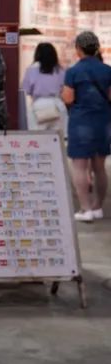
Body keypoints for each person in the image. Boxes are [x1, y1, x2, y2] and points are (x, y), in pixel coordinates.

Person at [62, 31, 111, 222]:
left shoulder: (73, 71)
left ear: (78, 49)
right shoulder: (107, 70)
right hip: (103, 123)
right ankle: (98, 207)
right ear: (97, 48)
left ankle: (86, 209)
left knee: (80, 168)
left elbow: (68, 98)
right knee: (100, 168)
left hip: (81, 123)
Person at [23, 42, 67, 132]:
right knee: (58, 137)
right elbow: (64, 89)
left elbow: (26, 90)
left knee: (38, 137)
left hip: (38, 106)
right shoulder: (60, 70)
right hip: (57, 105)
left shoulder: (31, 69)